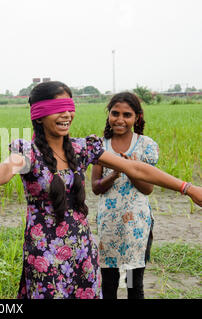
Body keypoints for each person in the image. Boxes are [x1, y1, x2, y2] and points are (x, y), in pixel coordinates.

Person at [0, 81, 202, 299]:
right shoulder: (28, 152)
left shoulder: (82, 148)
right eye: (58, 108)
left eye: (69, 107)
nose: (66, 114)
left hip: (82, 252)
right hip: (44, 255)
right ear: (38, 114)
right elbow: (7, 167)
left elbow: (136, 170)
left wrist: (187, 188)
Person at [91, 92, 158, 299]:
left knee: (132, 284)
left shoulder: (146, 145)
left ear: (136, 117)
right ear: (108, 114)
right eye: (115, 113)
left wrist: (130, 169)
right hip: (108, 225)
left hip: (135, 228)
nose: (120, 119)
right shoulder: (100, 146)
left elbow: (147, 189)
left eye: (127, 115)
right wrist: (114, 174)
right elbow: (95, 187)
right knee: (109, 284)